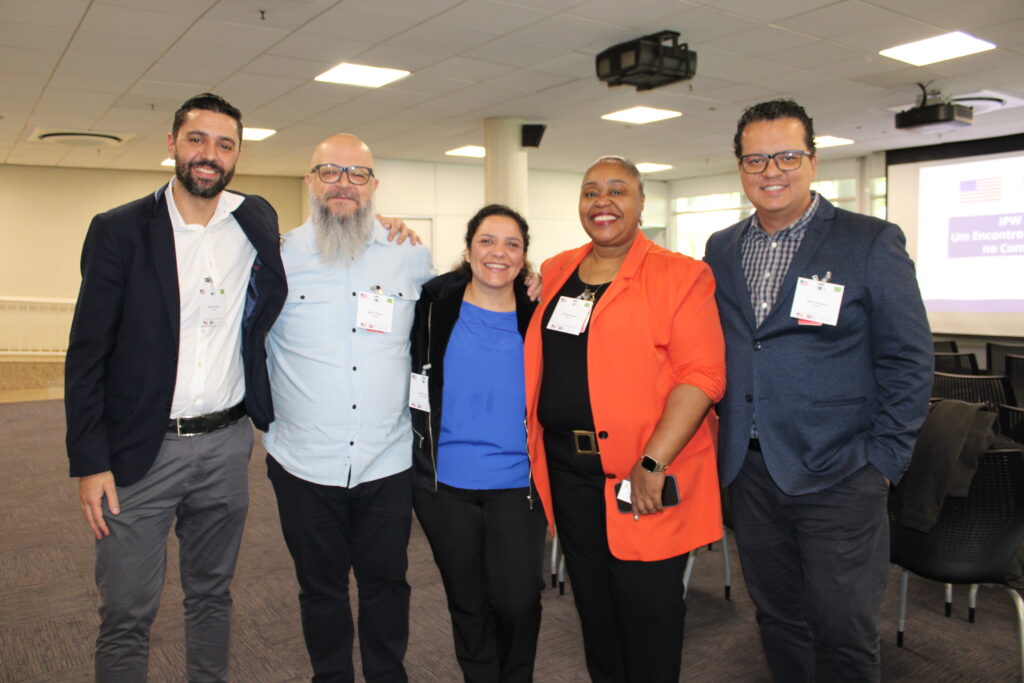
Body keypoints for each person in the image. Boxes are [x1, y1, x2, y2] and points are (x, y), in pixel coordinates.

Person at [703, 99, 932, 682]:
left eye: (786, 156)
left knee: (844, 630)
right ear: (740, 167)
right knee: (778, 619)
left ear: (813, 161)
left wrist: (882, 461)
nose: (771, 170)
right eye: (755, 159)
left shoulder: (869, 241)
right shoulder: (722, 247)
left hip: (840, 470)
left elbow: (908, 359)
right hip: (751, 472)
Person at [65, 92, 288, 682]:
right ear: (172, 145)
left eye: (224, 144)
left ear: (238, 154)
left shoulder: (255, 219)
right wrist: (91, 460)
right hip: (139, 452)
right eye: (197, 140)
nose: (209, 155)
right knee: (126, 611)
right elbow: (87, 355)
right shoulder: (119, 230)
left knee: (212, 596)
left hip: (225, 444)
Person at [523, 156, 727, 682]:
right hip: (569, 472)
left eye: (617, 191)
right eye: (591, 192)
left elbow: (702, 375)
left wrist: (653, 460)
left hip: (642, 476)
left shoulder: (681, 275)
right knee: (594, 609)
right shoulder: (557, 269)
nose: (603, 202)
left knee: (649, 612)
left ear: (641, 204)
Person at [263, 133, 435, 682]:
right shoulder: (276, 257)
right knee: (321, 589)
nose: (344, 184)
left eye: (357, 174)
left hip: (386, 460)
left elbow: (448, 318)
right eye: (330, 171)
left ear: (374, 186)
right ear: (310, 180)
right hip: (303, 461)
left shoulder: (411, 255)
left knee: (388, 585)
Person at [410, 204, 547, 682]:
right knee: (466, 604)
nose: (498, 253)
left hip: (518, 484)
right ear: (468, 250)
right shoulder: (432, 305)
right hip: (444, 484)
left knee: (517, 600)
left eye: (512, 244)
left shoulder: (539, 314)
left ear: (525, 257)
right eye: (487, 241)